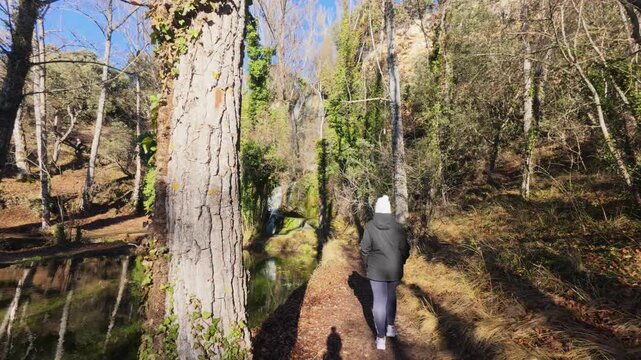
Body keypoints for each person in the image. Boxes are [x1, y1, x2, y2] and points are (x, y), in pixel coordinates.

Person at [359, 195, 410, 350]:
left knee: (379, 303)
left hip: (376, 272)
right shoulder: (398, 227)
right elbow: (406, 249)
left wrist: (368, 263)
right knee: (391, 297)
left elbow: (364, 249)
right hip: (394, 270)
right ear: (389, 210)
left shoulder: (369, 226)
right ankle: (390, 328)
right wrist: (401, 261)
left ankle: (381, 338)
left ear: (376, 210)